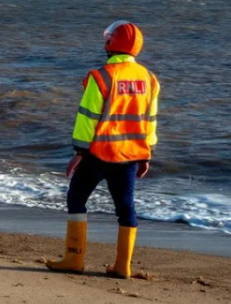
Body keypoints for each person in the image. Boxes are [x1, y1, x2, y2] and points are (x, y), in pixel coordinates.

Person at [46, 21, 159, 278]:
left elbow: (87, 118)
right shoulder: (150, 79)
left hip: (99, 154)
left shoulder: (100, 77)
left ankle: (74, 259)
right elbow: (150, 120)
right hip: (131, 155)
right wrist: (146, 153)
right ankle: (123, 266)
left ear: (110, 44)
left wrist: (79, 152)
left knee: (77, 198)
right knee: (126, 207)